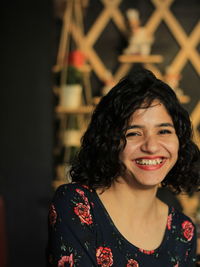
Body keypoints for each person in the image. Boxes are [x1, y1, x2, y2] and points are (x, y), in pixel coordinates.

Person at [48, 68, 200, 267]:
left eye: (164, 131)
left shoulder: (183, 230)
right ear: (110, 142)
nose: (151, 146)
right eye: (133, 133)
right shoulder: (76, 204)